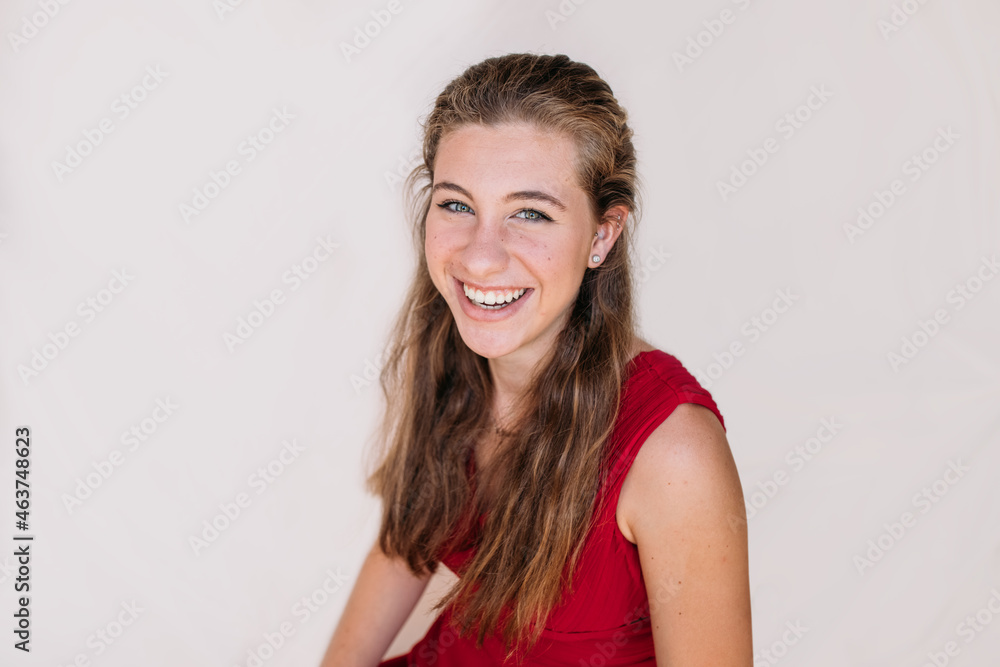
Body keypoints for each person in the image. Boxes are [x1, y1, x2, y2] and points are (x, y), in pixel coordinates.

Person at [320, 53, 752, 666]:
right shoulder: (452, 353)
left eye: (530, 213)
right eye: (456, 205)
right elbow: (405, 544)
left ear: (602, 235)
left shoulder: (674, 453)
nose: (480, 258)